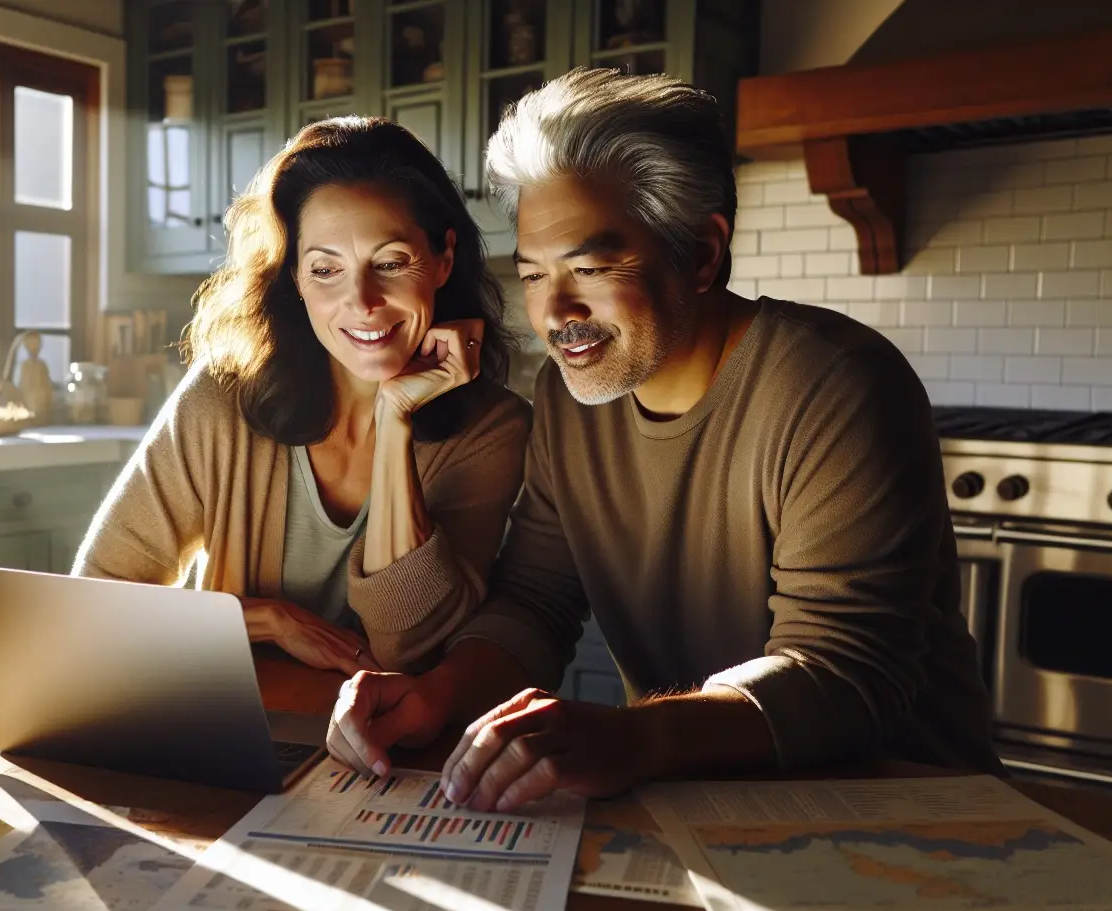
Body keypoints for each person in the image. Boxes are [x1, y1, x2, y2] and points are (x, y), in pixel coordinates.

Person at [325, 69, 1001, 809]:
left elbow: (843, 672)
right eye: (534, 275)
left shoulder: (835, 384)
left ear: (703, 254)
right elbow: (537, 600)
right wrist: (437, 693)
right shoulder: (569, 395)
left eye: (590, 267)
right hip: (698, 803)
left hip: (908, 813)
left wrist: (635, 737)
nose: (557, 313)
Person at [74, 117, 531, 677]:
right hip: (225, 724)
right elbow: (94, 601)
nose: (361, 301)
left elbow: (408, 650)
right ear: (294, 278)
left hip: (395, 749)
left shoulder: (494, 430)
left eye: (389, 263)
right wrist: (269, 621)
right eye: (325, 269)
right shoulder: (223, 398)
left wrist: (395, 421)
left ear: (442, 259)